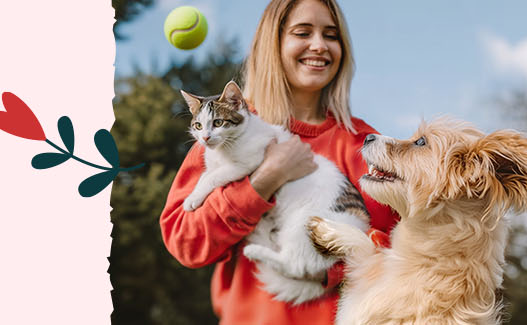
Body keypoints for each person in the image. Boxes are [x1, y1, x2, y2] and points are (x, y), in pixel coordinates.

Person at [158, 0, 400, 323]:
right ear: (273, 44)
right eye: (303, 32)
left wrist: (323, 267)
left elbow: (400, 250)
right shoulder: (222, 136)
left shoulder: (367, 146)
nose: (319, 45)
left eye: (331, 35)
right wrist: (264, 181)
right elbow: (185, 241)